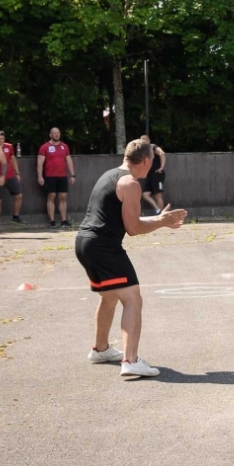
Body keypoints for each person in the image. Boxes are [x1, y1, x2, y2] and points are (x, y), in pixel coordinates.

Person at [74, 137, 188, 378]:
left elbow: (127, 223)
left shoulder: (110, 175)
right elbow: (133, 228)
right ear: (146, 161)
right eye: (152, 162)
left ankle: (100, 349)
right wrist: (161, 222)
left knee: (110, 296)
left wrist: (160, 221)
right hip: (103, 246)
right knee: (132, 298)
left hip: (85, 243)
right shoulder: (131, 184)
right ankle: (131, 360)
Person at [37, 127, 76, 227]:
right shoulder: (44, 147)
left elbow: (69, 161)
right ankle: (52, 221)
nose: (56, 134)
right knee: (51, 196)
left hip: (62, 176)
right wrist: (40, 176)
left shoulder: (64, 147)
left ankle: (64, 220)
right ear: (50, 135)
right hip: (50, 176)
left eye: (58, 133)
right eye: (54, 133)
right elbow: (40, 163)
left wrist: (72, 174)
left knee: (63, 197)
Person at [0, 130, 24, 223]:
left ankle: (15, 216)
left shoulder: (9, 146)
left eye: (2, 138)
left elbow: (13, 159)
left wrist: (17, 173)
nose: (1, 140)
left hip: (10, 175)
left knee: (19, 196)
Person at [140, 136, 167, 214]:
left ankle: (161, 215)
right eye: (142, 141)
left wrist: (161, 167)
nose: (144, 142)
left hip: (157, 174)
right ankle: (157, 210)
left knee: (158, 195)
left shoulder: (153, 147)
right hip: (149, 175)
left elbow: (162, 153)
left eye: (145, 141)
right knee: (145, 195)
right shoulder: (142, 152)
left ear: (149, 140)